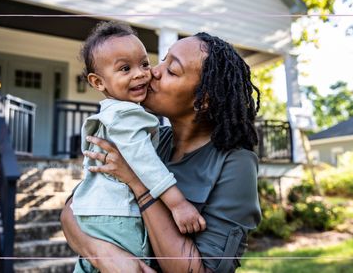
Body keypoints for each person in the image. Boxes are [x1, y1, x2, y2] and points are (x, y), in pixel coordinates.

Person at [61, 30, 262, 273]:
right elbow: (73, 210)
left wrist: (138, 183)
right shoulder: (147, 139)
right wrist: (105, 255)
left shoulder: (235, 164)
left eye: (172, 70)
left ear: (203, 99)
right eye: (162, 60)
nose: (152, 71)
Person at [70, 21, 206, 273]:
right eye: (125, 68)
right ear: (98, 82)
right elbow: (144, 161)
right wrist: (177, 203)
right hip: (118, 215)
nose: (141, 73)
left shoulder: (112, 113)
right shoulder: (125, 114)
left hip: (96, 212)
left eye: (144, 63)